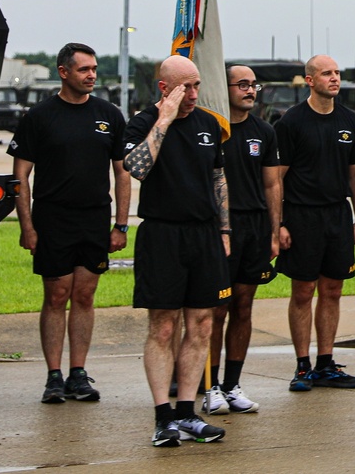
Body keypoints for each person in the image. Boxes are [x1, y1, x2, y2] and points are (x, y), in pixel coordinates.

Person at [9, 42, 131, 405]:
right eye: (84, 69)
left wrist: (120, 225)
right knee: (56, 295)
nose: (92, 75)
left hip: (94, 218)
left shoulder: (109, 114)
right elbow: (20, 176)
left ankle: (79, 373)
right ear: (64, 72)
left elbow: (122, 173)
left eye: (94, 68)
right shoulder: (40, 116)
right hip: (53, 218)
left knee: (84, 294)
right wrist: (27, 227)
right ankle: (53, 376)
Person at [124, 55, 231, 447]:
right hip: (162, 235)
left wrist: (224, 229)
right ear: (164, 88)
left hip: (204, 236)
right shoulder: (142, 122)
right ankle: (163, 417)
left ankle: (188, 412)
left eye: (197, 85)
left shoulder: (207, 124)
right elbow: (136, 167)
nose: (193, 94)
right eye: (185, 87)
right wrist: (163, 120)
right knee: (164, 326)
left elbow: (219, 179)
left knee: (202, 323)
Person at [274, 55, 355, 392]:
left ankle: (326, 362)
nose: (334, 78)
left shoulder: (350, 121)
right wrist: (280, 223)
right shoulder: (291, 123)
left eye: (337, 73)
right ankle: (302, 366)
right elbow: (276, 179)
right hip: (301, 215)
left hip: (337, 215)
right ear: (309, 80)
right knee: (303, 290)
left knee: (333, 289)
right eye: (327, 73)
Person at [203, 65, 281, 415]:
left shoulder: (264, 131)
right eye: (243, 85)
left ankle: (233, 384)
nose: (251, 91)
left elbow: (272, 185)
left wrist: (275, 230)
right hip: (220, 229)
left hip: (254, 227)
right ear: (226, 88)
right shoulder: (210, 130)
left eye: (254, 85)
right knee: (215, 309)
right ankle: (210, 386)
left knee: (243, 306)